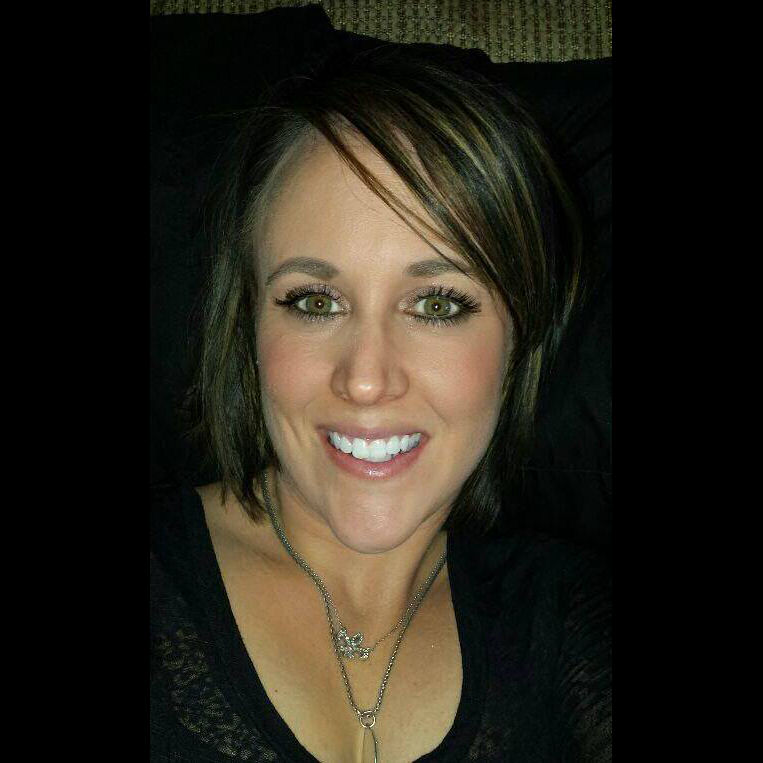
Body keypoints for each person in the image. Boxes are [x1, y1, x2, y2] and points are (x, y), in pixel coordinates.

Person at [151, 43, 611, 762]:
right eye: (314, 300)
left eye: (436, 304)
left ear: (519, 335)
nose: (365, 380)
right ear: (246, 326)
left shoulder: (573, 612)